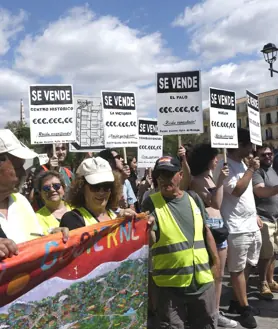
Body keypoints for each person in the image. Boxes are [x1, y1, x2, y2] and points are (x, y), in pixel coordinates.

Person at [142, 156, 219, 329]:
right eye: (160, 176)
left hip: (202, 281)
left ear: (180, 175)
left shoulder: (193, 198)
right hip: (169, 286)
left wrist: (216, 264)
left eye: (169, 175)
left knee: (207, 324)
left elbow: (206, 232)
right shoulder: (151, 202)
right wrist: (148, 229)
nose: (163, 180)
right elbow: (150, 241)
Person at [214, 128, 261, 329]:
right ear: (239, 145)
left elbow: (249, 194)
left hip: (251, 223)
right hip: (236, 226)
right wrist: (251, 170)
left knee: (250, 263)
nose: (252, 148)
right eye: (249, 145)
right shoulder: (225, 166)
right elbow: (236, 190)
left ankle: (236, 299)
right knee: (237, 269)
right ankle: (244, 308)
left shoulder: (242, 163)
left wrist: (255, 213)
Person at [0, 130, 68, 260]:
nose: (24, 174)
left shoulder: (21, 201)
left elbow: (35, 237)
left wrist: (52, 236)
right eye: (18, 167)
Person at [189, 144, 237, 328]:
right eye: (214, 157)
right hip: (209, 228)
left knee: (219, 274)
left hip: (220, 226)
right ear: (207, 160)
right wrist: (221, 182)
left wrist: (218, 181)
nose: (217, 160)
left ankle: (216, 312)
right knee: (210, 273)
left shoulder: (210, 177)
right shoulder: (197, 180)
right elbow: (215, 203)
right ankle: (207, 313)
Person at [60, 157, 135, 230]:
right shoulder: (72, 219)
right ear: (81, 187)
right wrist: (116, 224)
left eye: (106, 186)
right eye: (95, 186)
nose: (101, 192)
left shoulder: (115, 214)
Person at [252, 145, 278, 299]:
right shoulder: (257, 172)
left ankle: (271, 280)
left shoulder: (273, 170)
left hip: (276, 217)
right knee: (265, 255)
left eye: (270, 154)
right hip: (264, 218)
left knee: (274, 253)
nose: (268, 157)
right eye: (264, 155)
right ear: (258, 157)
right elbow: (260, 191)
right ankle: (262, 283)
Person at [30, 143, 74, 210]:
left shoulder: (68, 173)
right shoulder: (41, 170)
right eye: (57, 149)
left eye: (63, 148)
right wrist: (52, 169)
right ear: (48, 152)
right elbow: (36, 196)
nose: (61, 152)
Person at [36, 171, 72, 235]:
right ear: (40, 193)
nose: (52, 190)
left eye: (56, 186)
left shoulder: (77, 208)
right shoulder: (36, 219)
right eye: (46, 188)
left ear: (63, 188)